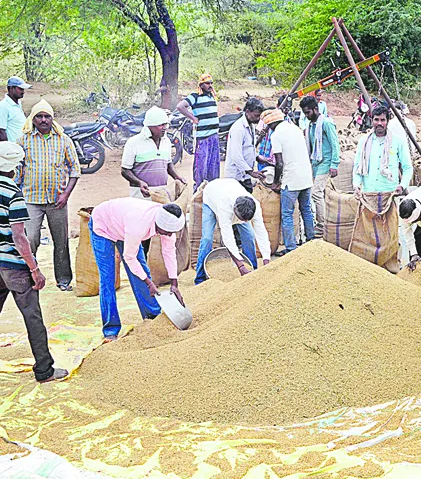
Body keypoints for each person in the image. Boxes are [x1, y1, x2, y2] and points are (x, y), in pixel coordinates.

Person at [0, 142, 67, 382]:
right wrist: (34, 269)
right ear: (15, 167)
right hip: (14, 266)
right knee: (33, 317)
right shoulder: (12, 193)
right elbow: (19, 238)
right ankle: (44, 370)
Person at [89, 198, 186, 342]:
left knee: (142, 274)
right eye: (167, 232)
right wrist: (149, 283)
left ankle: (152, 317)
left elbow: (169, 252)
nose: (170, 235)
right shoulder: (138, 225)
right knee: (108, 279)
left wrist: (174, 283)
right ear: (159, 226)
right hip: (104, 224)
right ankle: (111, 329)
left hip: (123, 224)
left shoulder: (168, 223)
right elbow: (129, 258)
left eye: (173, 232)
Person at [17, 99, 80, 292]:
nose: (43, 120)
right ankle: (29, 276)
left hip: (58, 201)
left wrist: (66, 195)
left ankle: (63, 280)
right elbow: (17, 170)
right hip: (31, 200)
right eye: (39, 116)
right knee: (31, 237)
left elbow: (75, 170)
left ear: (52, 118)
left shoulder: (63, 139)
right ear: (33, 119)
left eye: (47, 116)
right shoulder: (24, 139)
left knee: (60, 240)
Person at [194, 178, 271, 284]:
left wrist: (266, 259)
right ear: (235, 210)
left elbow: (261, 232)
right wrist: (240, 266)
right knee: (207, 238)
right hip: (211, 197)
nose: (243, 222)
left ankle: (253, 269)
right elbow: (228, 238)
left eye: (246, 220)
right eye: (241, 219)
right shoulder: (224, 207)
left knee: (249, 236)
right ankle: (200, 278)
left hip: (231, 185)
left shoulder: (255, 205)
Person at [263, 108, 315, 254]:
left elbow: (279, 163)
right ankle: (312, 240)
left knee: (287, 213)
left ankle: (291, 248)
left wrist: (275, 182)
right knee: (306, 209)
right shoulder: (295, 129)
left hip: (291, 180)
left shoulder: (277, 134)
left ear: (270, 124)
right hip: (305, 176)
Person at [122, 106, 187, 200]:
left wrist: (177, 177)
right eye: (160, 125)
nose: (164, 128)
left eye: (166, 124)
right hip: (141, 196)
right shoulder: (134, 143)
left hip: (161, 195)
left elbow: (168, 164)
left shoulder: (166, 141)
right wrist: (139, 182)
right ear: (149, 126)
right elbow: (125, 170)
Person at [300, 95, 340, 236]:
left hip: (326, 162)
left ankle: (322, 225)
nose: (306, 115)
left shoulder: (326, 123)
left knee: (316, 192)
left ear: (315, 109)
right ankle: (327, 220)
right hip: (316, 163)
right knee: (321, 193)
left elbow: (335, 144)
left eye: (308, 112)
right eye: (305, 113)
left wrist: (334, 164)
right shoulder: (311, 125)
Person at [353, 104, 413, 194]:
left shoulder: (397, 141)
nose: (379, 123)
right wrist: (356, 185)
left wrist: (402, 185)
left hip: (390, 192)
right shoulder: (363, 141)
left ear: (388, 121)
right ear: (372, 120)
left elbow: (407, 167)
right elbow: (358, 166)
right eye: (376, 119)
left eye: (383, 120)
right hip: (369, 192)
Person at [176, 73, 220, 191]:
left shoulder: (211, 96)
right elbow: (180, 106)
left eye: (211, 83)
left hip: (214, 137)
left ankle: (212, 192)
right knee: (201, 168)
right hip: (203, 138)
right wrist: (193, 118)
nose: (210, 85)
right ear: (201, 85)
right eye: (207, 83)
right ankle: (198, 194)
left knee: (213, 167)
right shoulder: (195, 96)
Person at [226, 98, 266, 191]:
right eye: (256, 115)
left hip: (245, 175)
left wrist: (258, 157)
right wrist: (251, 172)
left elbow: (248, 148)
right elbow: (236, 155)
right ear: (247, 111)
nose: (258, 119)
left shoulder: (251, 125)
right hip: (236, 177)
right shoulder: (238, 129)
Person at [0, 76, 31, 142]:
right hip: (13, 148)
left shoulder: (18, 103)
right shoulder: (3, 106)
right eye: (20, 89)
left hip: (22, 145)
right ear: (11, 88)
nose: (23, 92)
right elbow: (1, 131)